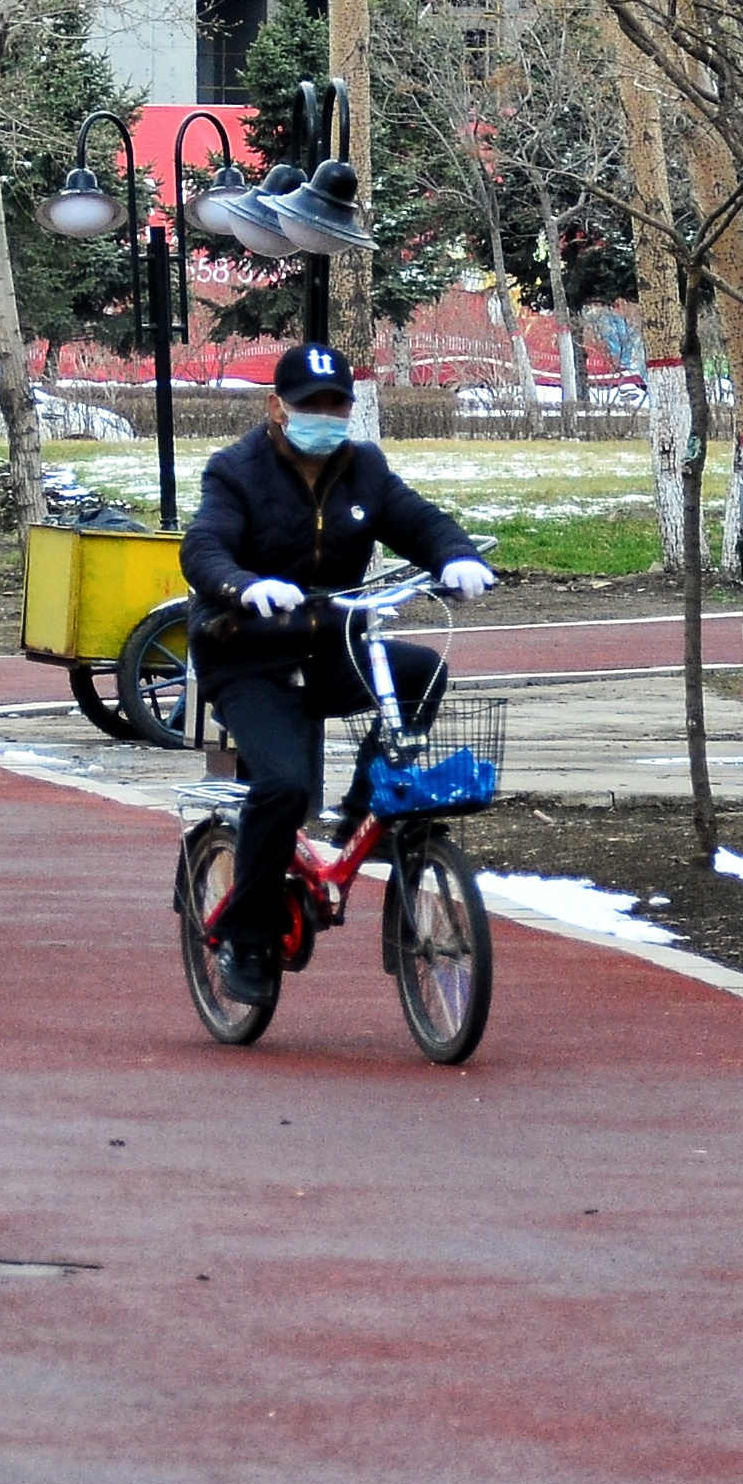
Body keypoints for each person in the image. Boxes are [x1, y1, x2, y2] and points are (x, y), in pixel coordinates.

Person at [178, 339, 497, 1010]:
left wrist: (456, 555)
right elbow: (204, 547)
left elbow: (419, 521)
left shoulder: (364, 468)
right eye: (310, 405)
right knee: (284, 787)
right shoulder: (236, 470)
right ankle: (249, 937)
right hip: (248, 654)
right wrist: (245, 587)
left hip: (331, 646)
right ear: (277, 407)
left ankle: (359, 813)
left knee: (421, 673)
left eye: (335, 406)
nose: (324, 417)